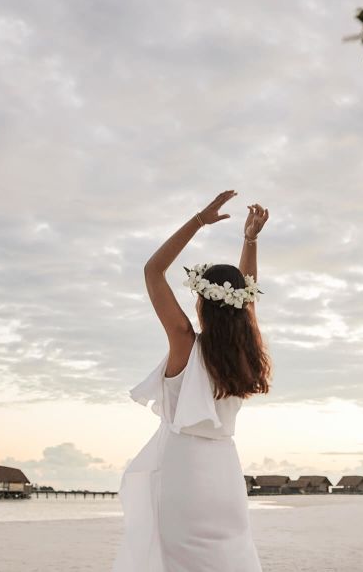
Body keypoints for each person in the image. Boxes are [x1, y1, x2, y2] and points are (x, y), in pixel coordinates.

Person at [113, 190, 271, 572]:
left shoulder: (184, 342)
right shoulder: (242, 356)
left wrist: (200, 220)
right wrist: (250, 240)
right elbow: (246, 297)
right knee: (230, 558)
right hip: (225, 476)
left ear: (201, 302)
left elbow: (153, 271)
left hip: (185, 475)